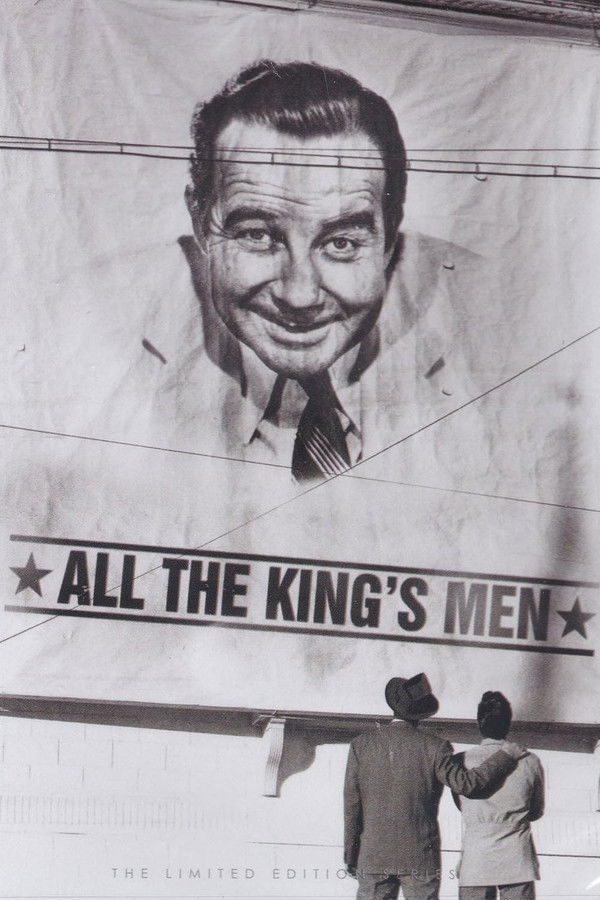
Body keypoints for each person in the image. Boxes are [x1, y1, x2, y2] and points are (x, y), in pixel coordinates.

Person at [139, 59, 488, 483]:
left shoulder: (496, 332)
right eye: (257, 235)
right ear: (201, 226)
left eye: (341, 243)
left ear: (388, 239)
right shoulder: (101, 354)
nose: (300, 296)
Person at [343, 673, 526, 900]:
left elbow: (352, 805)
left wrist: (351, 855)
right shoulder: (436, 747)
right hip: (420, 857)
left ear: (393, 707)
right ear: (421, 713)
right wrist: (505, 756)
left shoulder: (361, 745)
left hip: (373, 857)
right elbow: (468, 784)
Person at [453, 691, 545, 900]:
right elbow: (536, 811)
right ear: (508, 723)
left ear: (479, 723)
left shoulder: (461, 761)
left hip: (476, 857)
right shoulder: (530, 761)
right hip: (517, 857)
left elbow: (461, 805)